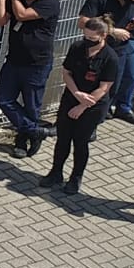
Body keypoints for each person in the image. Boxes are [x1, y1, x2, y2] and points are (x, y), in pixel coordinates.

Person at [38, 16, 119, 195]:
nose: (87, 41)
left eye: (92, 38)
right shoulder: (77, 48)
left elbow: (104, 87)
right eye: (85, 36)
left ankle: (76, 178)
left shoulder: (110, 58)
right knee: (63, 138)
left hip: (93, 106)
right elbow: (67, 73)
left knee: (80, 142)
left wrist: (82, 106)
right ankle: (56, 172)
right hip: (71, 98)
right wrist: (76, 94)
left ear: (103, 36)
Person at [0, 0, 60, 158]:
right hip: (14, 60)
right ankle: (35, 131)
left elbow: (22, 15)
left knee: (31, 105)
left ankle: (24, 138)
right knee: (3, 98)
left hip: (37, 64)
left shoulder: (50, 3)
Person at [78, 0, 134, 127]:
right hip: (101, 48)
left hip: (123, 47)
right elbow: (83, 22)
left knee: (130, 77)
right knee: (103, 86)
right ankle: (93, 121)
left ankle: (121, 109)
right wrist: (112, 31)